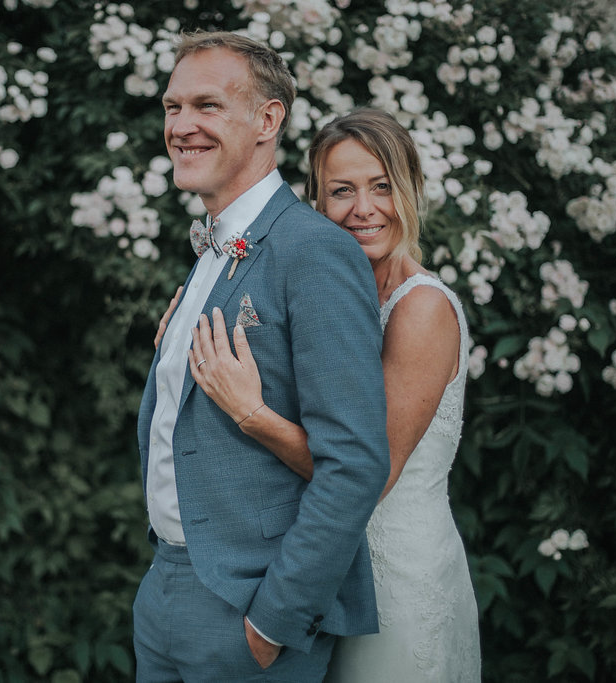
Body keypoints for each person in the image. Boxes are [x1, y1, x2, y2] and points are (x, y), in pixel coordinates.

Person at [169, 107, 481, 681]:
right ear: (316, 204)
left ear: (410, 191)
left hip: (396, 584)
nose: (363, 209)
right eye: (341, 191)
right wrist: (187, 332)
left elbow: (369, 473)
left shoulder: (421, 311)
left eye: (381, 187)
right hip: (321, 573)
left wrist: (252, 414)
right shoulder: (326, 296)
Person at [133, 32, 390, 682]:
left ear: (267, 120)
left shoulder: (313, 250)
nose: (181, 126)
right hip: (165, 588)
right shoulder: (213, 253)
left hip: (248, 608)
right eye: (172, 107)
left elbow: (355, 463)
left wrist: (272, 622)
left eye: (206, 106)